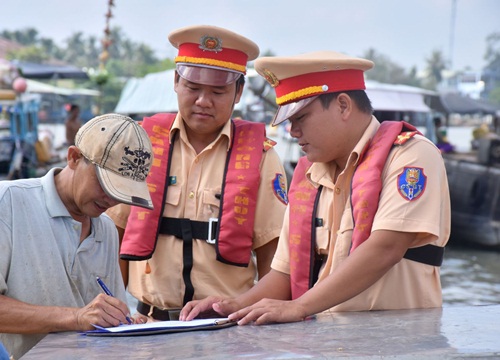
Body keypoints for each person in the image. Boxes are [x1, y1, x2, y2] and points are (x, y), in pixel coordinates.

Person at [180, 51, 451, 325]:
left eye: (301, 118)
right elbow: (285, 274)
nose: (292, 132)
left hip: (397, 343)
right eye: (289, 122)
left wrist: (300, 307)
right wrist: (232, 307)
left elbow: (386, 247)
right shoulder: (310, 175)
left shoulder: (410, 156)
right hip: (328, 344)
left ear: (343, 106)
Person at [106, 25, 288, 322]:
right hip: (147, 326)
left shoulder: (261, 157)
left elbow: (274, 255)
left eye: (218, 91)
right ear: (176, 81)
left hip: (226, 328)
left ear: (239, 92)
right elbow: (115, 234)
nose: (204, 101)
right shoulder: (141, 146)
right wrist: (119, 314)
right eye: (193, 88)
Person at [0, 113, 154, 359]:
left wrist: (124, 321)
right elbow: (83, 317)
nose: (111, 200)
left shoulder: (106, 229)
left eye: (122, 193)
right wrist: (77, 316)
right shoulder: (7, 202)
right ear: (73, 157)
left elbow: (104, 318)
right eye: (105, 185)